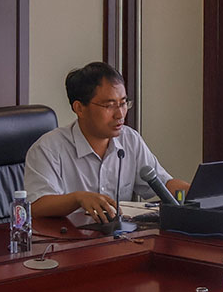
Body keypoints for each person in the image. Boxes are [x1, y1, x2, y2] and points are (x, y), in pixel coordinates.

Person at [25, 62, 189, 222]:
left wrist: (194, 192)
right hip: (69, 237)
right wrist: (78, 199)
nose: (120, 114)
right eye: (109, 106)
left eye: (123, 103)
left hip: (119, 236)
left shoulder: (130, 139)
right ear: (79, 108)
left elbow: (164, 185)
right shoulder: (48, 149)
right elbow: (36, 206)